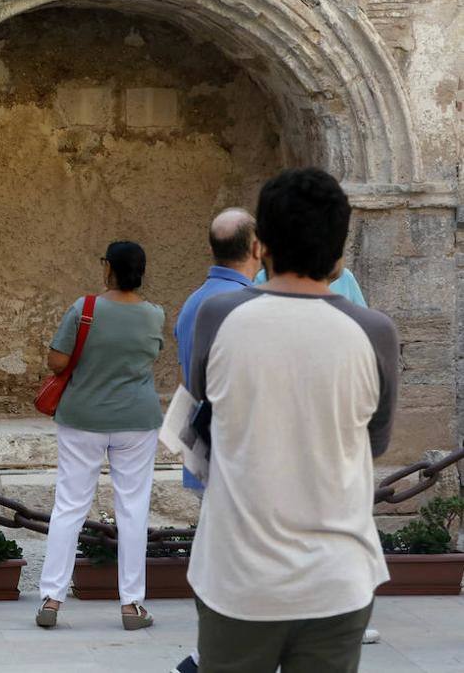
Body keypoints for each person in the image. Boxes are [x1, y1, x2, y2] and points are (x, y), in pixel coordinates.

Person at [187, 168, 398, 672]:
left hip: (239, 574)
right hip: (336, 575)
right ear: (340, 252)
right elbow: (377, 441)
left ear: (260, 246)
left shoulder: (217, 316)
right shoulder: (374, 331)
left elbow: (201, 414)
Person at [36, 241, 165, 631]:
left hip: (83, 416)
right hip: (137, 419)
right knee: (133, 509)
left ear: (107, 266)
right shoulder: (154, 315)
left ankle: (52, 598)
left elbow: (56, 360)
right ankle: (131, 605)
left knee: (70, 506)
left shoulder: (84, 308)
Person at [168, 209, 261, 673]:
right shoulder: (245, 304)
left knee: (220, 556)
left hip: (206, 443)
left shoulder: (194, 301)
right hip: (240, 452)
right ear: (256, 247)